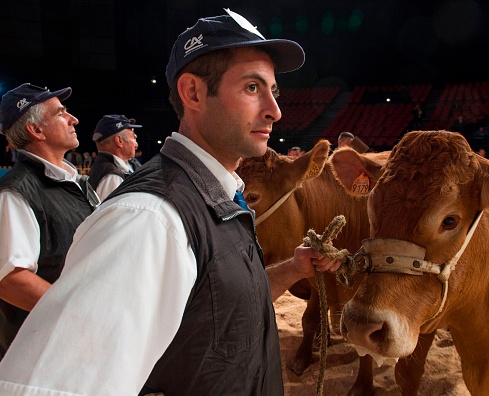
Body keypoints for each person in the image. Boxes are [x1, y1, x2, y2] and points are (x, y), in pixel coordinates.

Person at [0, 10, 340, 395]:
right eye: (251, 87)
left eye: (272, 91)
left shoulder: (213, 193)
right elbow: (42, 385)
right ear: (193, 92)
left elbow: (215, 305)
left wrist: (292, 268)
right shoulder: (147, 218)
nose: (274, 111)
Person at [0, 83, 100, 359]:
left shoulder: (74, 182)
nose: (73, 119)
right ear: (36, 130)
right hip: (46, 351)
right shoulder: (16, 191)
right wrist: (84, 312)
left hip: (76, 343)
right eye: (60, 113)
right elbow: (11, 279)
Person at [87, 114, 141, 200]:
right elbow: (116, 212)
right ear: (119, 140)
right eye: (133, 136)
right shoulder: (111, 177)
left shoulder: (129, 164)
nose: (136, 138)